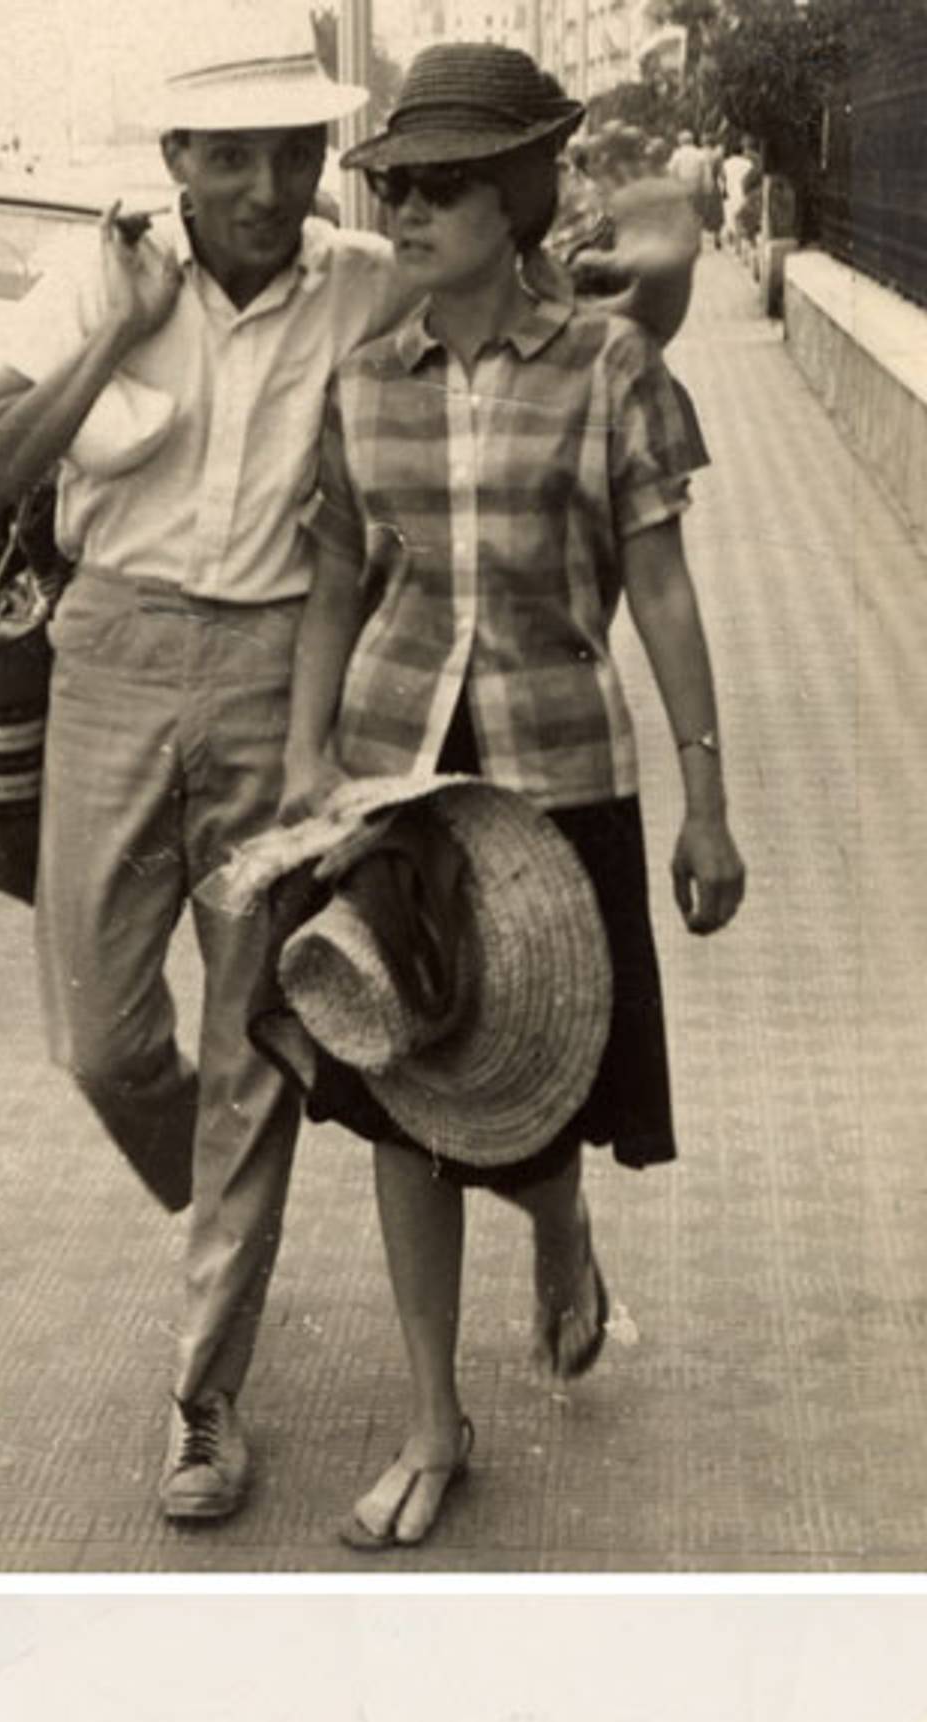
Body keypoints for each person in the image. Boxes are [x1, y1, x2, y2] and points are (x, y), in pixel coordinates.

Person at [0, 15, 701, 1529]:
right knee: (102, 1039)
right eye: (234, 156)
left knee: (249, 1037)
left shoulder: (364, 275)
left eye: (296, 154)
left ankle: (208, 1392)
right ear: (177, 164)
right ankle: (256, 1173)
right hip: (111, 657)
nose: (272, 186)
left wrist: (653, 272)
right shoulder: (107, 270)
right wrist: (120, 327)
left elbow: (556, 323)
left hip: (285, 670)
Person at [278, 40, 746, 1549]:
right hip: (401, 783)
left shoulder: (611, 367)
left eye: (439, 186)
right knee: (406, 1090)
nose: (401, 209)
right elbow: (339, 572)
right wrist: (306, 762)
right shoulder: (364, 381)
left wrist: (705, 795)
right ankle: (435, 1420)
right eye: (393, 185)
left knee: (538, 1087)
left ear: (518, 199)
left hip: (559, 774)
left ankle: (560, 1222)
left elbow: (662, 586)